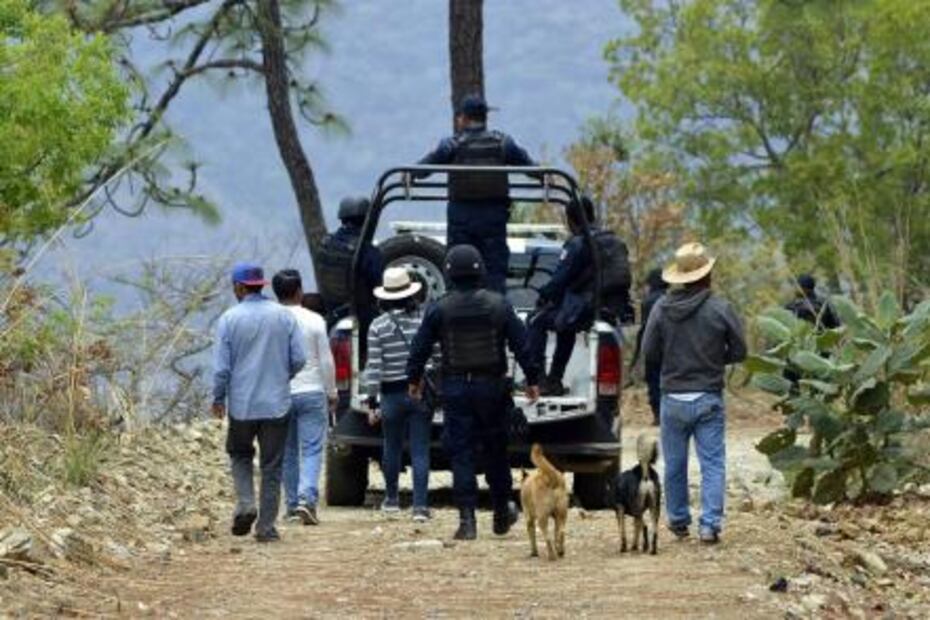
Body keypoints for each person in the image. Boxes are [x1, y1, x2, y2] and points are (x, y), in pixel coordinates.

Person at [406, 245, 541, 540]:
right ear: (480, 269)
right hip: (492, 387)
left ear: (450, 273)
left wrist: (413, 379)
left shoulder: (439, 308)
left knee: (461, 453)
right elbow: (523, 344)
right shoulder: (499, 305)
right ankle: (501, 512)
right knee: (496, 451)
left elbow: (420, 348)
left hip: (455, 388)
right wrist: (533, 378)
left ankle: (467, 521)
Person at [642, 243, 746, 545]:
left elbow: (649, 351)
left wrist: (674, 360)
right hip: (708, 398)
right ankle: (709, 525)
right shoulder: (720, 308)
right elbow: (740, 350)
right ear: (707, 275)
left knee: (674, 464)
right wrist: (714, 359)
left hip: (672, 398)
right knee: (712, 463)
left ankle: (677, 521)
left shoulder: (662, 307)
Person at [212, 263, 307, 543]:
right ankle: (266, 527)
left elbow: (221, 369)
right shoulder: (284, 317)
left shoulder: (229, 319)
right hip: (277, 404)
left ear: (240, 287)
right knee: (272, 465)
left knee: (240, 454)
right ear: (260, 286)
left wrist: (218, 398)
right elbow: (299, 358)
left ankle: (246, 503)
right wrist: (281, 376)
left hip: (242, 405)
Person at [417, 94, 536, 293]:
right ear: (484, 118)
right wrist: (546, 178)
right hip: (493, 219)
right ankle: (495, 315)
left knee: (458, 268)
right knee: (494, 274)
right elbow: (530, 168)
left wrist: (408, 176)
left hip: (461, 219)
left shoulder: (452, 145)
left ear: (463, 118)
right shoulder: (502, 143)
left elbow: (422, 169)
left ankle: (456, 313)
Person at [524, 196, 633, 396]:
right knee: (564, 326)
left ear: (571, 219)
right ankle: (554, 380)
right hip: (607, 309)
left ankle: (538, 380)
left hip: (584, 308)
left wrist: (543, 297)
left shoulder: (578, 243)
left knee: (536, 320)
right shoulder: (611, 239)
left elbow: (559, 280)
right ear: (592, 215)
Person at [364, 267, 432, 522]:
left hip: (391, 394)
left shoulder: (377, 326)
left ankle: (391, 499)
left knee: (391, 446)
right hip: (419, 391)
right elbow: (435, 355)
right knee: (420, 450)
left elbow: (375, 368)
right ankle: (420, 507)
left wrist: (373, 402)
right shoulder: (423, 319)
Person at [272, 269, 336, 526]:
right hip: (311, 390)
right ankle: (306, 500)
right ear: (299, 292)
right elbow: (326, 361)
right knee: (311, 449)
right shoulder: (314, 320)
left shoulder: (271, 321)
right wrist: (331, 392)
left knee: (287, 451)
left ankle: (290, 506)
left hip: (281, 393)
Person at [317, 196, 384, 334]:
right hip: (360, 315)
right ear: (366, 220)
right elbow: (380, 286)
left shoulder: (326, 243)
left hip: (329, 311)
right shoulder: (367, 250)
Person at [630, 268, 670, 425]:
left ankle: (657, 414)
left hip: (652, 347)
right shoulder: (670, 300)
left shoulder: (647, 301)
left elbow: (645, 328)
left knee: (653, 381)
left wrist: (639, 351)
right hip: (670, 348)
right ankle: (666, 413)